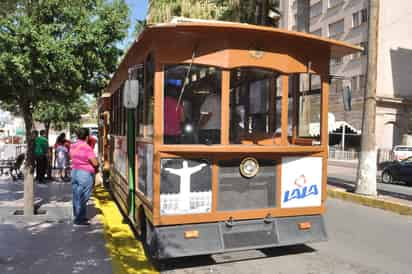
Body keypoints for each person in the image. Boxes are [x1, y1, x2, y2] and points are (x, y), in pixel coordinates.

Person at [70, 128, 99, 226]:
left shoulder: (73, 146)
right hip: (85, 174)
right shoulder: (86, 147)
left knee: (76, 195)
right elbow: (94, 162)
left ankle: (77, 215)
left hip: (74, 172)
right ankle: (79, 219)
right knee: (83, 196)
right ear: (87, 137)